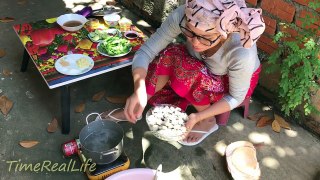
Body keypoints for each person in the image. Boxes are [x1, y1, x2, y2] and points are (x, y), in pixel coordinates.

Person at [104, 0, 265, 146]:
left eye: (206, 37)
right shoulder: (184, 15)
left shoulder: (243, 51)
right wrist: (139, 90)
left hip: (230, 82)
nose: (194, 42)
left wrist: (198, 117)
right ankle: (140, 103)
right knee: (170, 55)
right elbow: (146, 52)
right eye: (190, 32)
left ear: (225, 34)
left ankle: (208, 120)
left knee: (189, 70)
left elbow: (236, 97)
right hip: (199, 65)